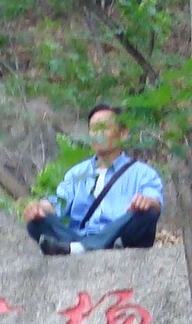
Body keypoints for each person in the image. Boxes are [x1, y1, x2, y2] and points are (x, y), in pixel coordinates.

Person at [23, 105, 163, 256]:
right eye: (94, 129)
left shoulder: (143, 173)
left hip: (119, 233)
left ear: (123, 133)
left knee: (147, 215)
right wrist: (38, 208)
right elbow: (57, 203)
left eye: (105, 128)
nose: (98, 135)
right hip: (78, 236)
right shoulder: (77, 173)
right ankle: (86, 246)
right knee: (36, 223)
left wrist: (146, 202)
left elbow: (154, 201)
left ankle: (79, 248)